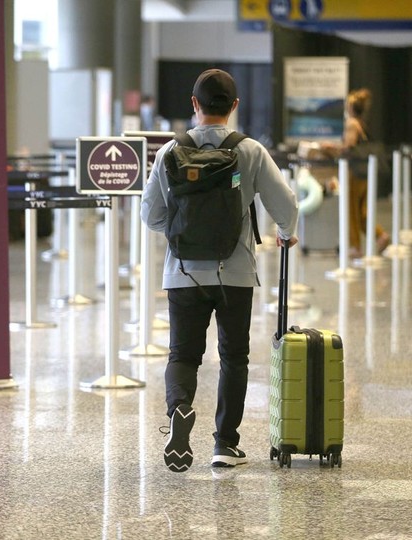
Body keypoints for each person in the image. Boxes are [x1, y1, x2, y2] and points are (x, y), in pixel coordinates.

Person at [141, 69, 298, 471]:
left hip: (183, 272)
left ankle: (179, 408)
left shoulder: (168, 152)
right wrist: (286, 233)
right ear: (234, 106)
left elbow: (151, 215)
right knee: (233, 356)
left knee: (183, 354)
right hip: (236, 272)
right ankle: (224, 444)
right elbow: (286, 203)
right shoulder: (250, 151)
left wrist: (180, 233)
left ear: (193, 105)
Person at [323, 88, 389, 258]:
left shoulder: (352, 123)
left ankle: (355, 246)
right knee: (361, 211)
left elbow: (349, 146)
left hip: (353, 172)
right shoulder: (361, 123)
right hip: (363, 173)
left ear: (351, 107)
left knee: (351, 210)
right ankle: (380, 235)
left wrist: (331, 147)